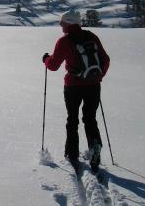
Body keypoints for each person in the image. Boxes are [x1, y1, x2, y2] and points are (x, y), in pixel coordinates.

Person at [42, 10, 110, 172]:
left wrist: (46, 59)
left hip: (73, 86)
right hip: (93, 85)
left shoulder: (64, 41)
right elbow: (105, 60)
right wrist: (98, 77)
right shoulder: (91, 36)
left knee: (72, 119)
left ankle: (71, 153)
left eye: (62, 22)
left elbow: (53, 66)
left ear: (70, 23)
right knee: (90, 119)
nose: (60, 25)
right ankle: (95, 148)